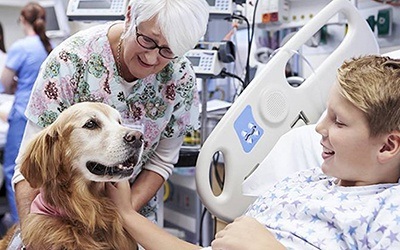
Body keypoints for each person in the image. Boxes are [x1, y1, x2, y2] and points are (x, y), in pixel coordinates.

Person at [106, 55, 400, 249]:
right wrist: (125, 213)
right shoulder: (300, 184)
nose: (319, 128)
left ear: (387, 146)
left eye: (338, 121)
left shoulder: (385, 211)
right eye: (326, 114)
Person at [12, 0, 210, 229]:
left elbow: (161, 161)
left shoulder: (180, 76)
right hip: (61, 220)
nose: (152, 58)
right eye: (147, 40)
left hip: (130, 218)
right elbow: (31, 167)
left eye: (168, 51)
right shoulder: (69, 62)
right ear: (129, 16)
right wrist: (32, 234)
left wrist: (121, 216)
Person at [0, 2, 52, 224]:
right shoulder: (48, 46)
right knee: (40, 172)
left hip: (22, 114)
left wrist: (14, 87)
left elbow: (4, 82)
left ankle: (19, 227)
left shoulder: (21, 47)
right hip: (46, 117)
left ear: (23, 20)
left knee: (16, 170)